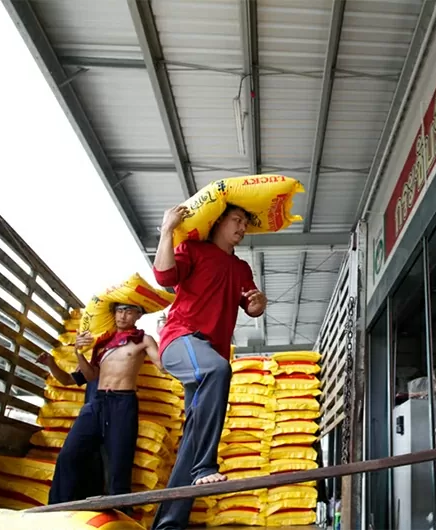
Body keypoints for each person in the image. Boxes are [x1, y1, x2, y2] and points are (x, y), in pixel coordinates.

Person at [151, 203, 268, 530]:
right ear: (217, 222)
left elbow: (252, 304)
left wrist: (259, 303)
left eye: (245, 223)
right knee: (218, 371)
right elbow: (164, 276)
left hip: (209, 353)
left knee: (193, 436)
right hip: (180, 341)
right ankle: (205, 467)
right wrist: (166, 230)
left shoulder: (241, 267)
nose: (242, 227)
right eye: (237, 220)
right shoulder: (193, 250)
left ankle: (168, 524)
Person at [46, 304, 161, 504]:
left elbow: (163, 366)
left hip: (122, 403)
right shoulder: (102, 343)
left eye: (129, 311)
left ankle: (121, 516)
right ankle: (56, 509)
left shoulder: (143, 340)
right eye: (119, 310)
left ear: (138, 315)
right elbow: (90, 375)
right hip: (97, 402)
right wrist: (79, 352)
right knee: (68, 455)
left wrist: (166, 333)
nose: (123, 315)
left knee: (119, 465)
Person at [37, 350, 105, 498]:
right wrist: (51, 363)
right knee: (69, 457)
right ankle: (60, 506)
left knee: (99, 466)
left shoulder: (123, 358)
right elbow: (67, 379)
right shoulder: (93, 363)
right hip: (91, 413)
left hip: (113, 414)